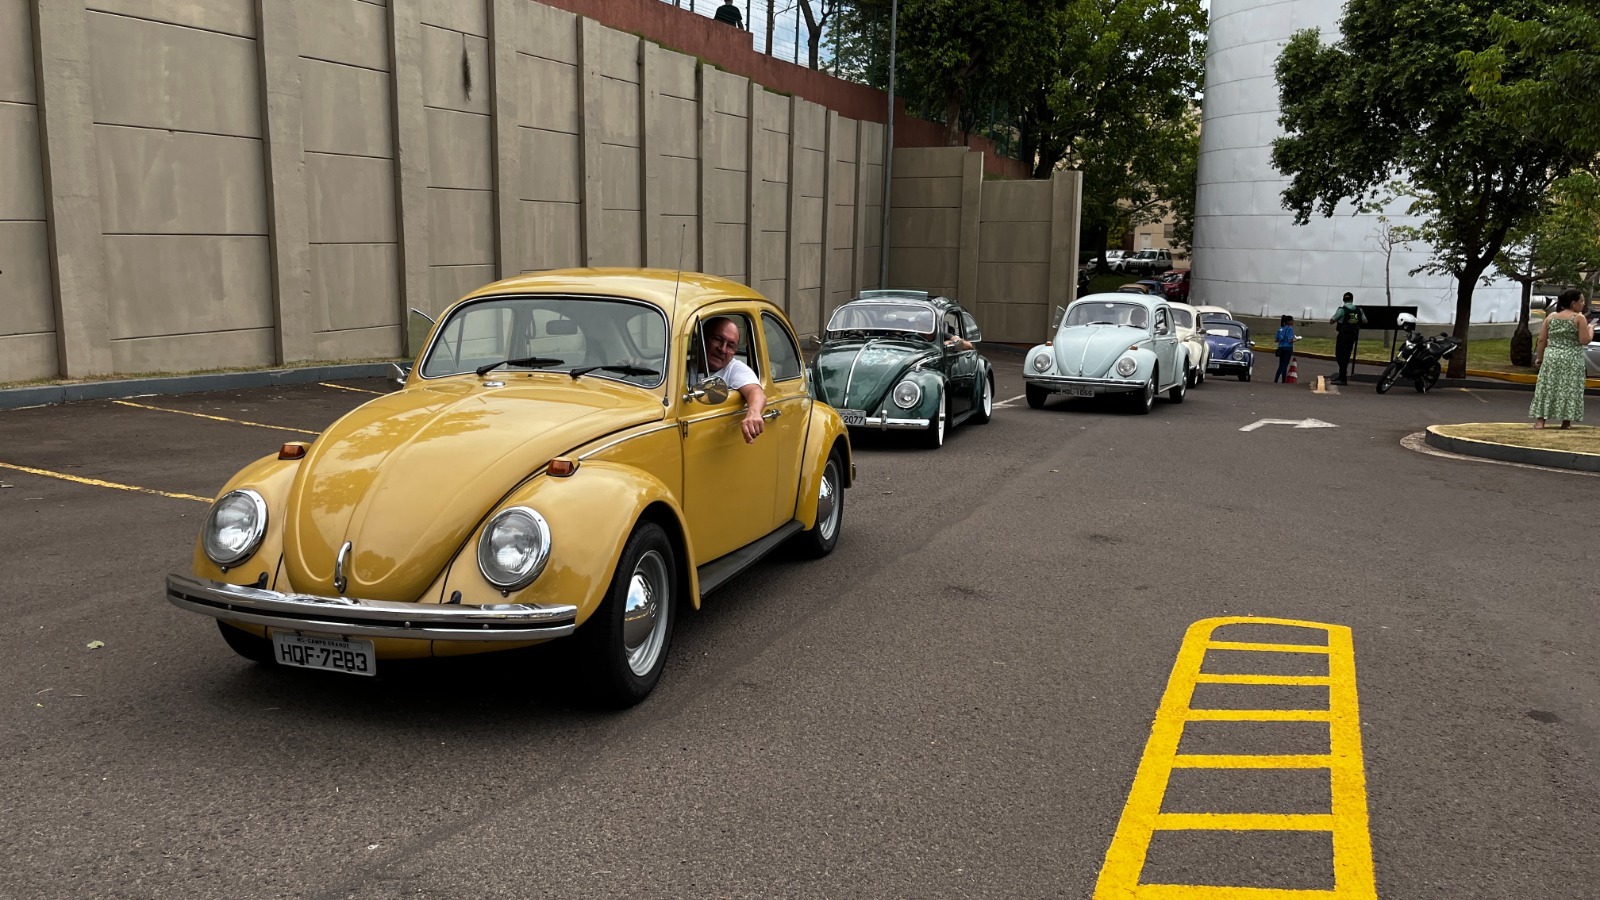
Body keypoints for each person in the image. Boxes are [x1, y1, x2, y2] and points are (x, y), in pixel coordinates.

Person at [1529, 289, 1593, 429]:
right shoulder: (1578, 318)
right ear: (1573, 303)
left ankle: (1540, 421)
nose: (1583, 304)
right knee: (1569, 388)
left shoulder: (1551, 317)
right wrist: (1591, 329)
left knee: (1547, 387)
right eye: (1581, 301)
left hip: (1552, 357)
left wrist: (1540, 359)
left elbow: (1541, 340)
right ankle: (1566, 422)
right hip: (1571, 358)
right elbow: (1584, 340)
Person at [695, 316, 766, 442]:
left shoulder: (734, 369)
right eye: (717, 339)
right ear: (702, 339)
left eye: (730, 346)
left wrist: (753, 413)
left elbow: (755, 391)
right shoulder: (680, 366)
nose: (722, 349)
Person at [1328, 292, 1366, 384]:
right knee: (1347, 354)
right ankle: (1342, 375)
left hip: (1343, 334)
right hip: (1353, 334)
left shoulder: (1342, 310)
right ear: (1352, 300)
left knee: (1339, 355)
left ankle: (1343, 377)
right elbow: (1365, 320)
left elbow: (1332, 321)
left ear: (1343, 300)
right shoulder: (1359, 310)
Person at [1273, 314, 1301, 383]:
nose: (1293, 322)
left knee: (1281, 365)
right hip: (1288, 348)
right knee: (1285, 364)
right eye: (1292, 320)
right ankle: (1283, 380)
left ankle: (1276, 379)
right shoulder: (1290, 329)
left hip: (1280, 347)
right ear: (1288, 321)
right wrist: (1297, 340)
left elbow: (1276, 340)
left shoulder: (1280, 329)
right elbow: (1290, 340)